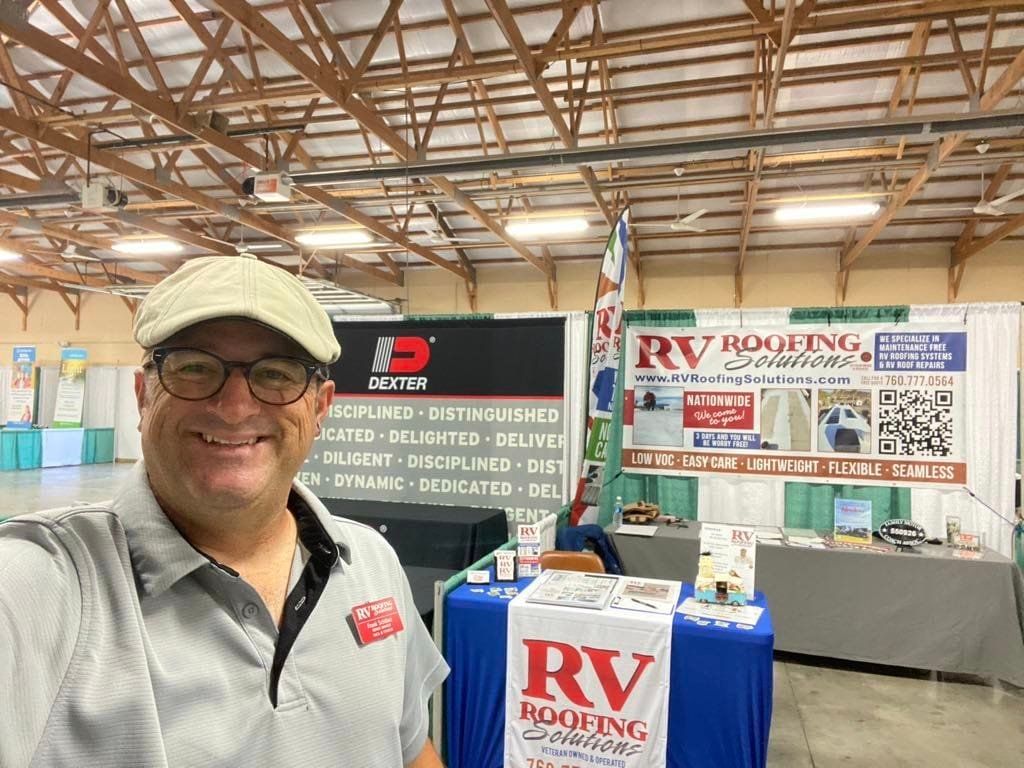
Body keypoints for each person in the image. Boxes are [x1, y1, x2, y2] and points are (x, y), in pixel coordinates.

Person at [0, 254, 448, 767]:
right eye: (194, 367)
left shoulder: (370, 563)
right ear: (143, 396)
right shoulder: (41, 587)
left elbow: (409, 749)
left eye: (276, 374)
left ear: (320, 408)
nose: (235, 407)